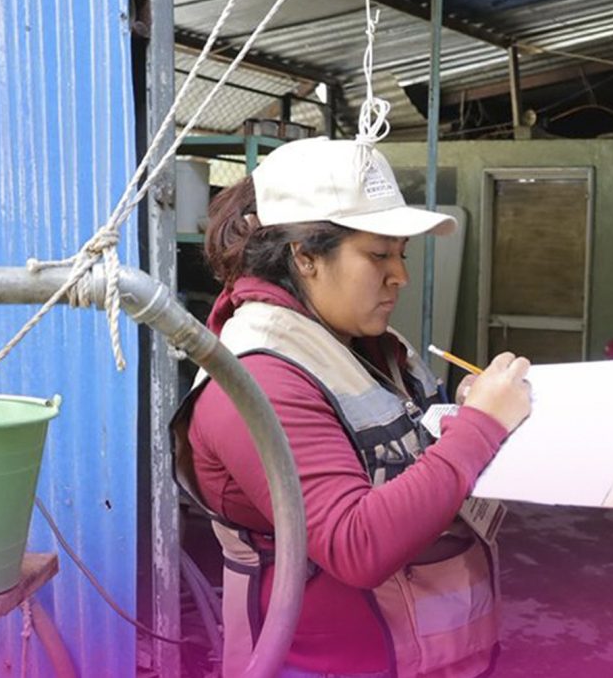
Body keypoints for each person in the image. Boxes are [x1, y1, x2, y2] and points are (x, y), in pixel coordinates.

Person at [171, 137, 531, 678]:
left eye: (402, 255)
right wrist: (479, 429)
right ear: (306, 257)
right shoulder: (257, 378)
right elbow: (355, 543)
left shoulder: (363, 343)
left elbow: (399, 455)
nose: (400, 277)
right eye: (379, 255)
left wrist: (451, 420)